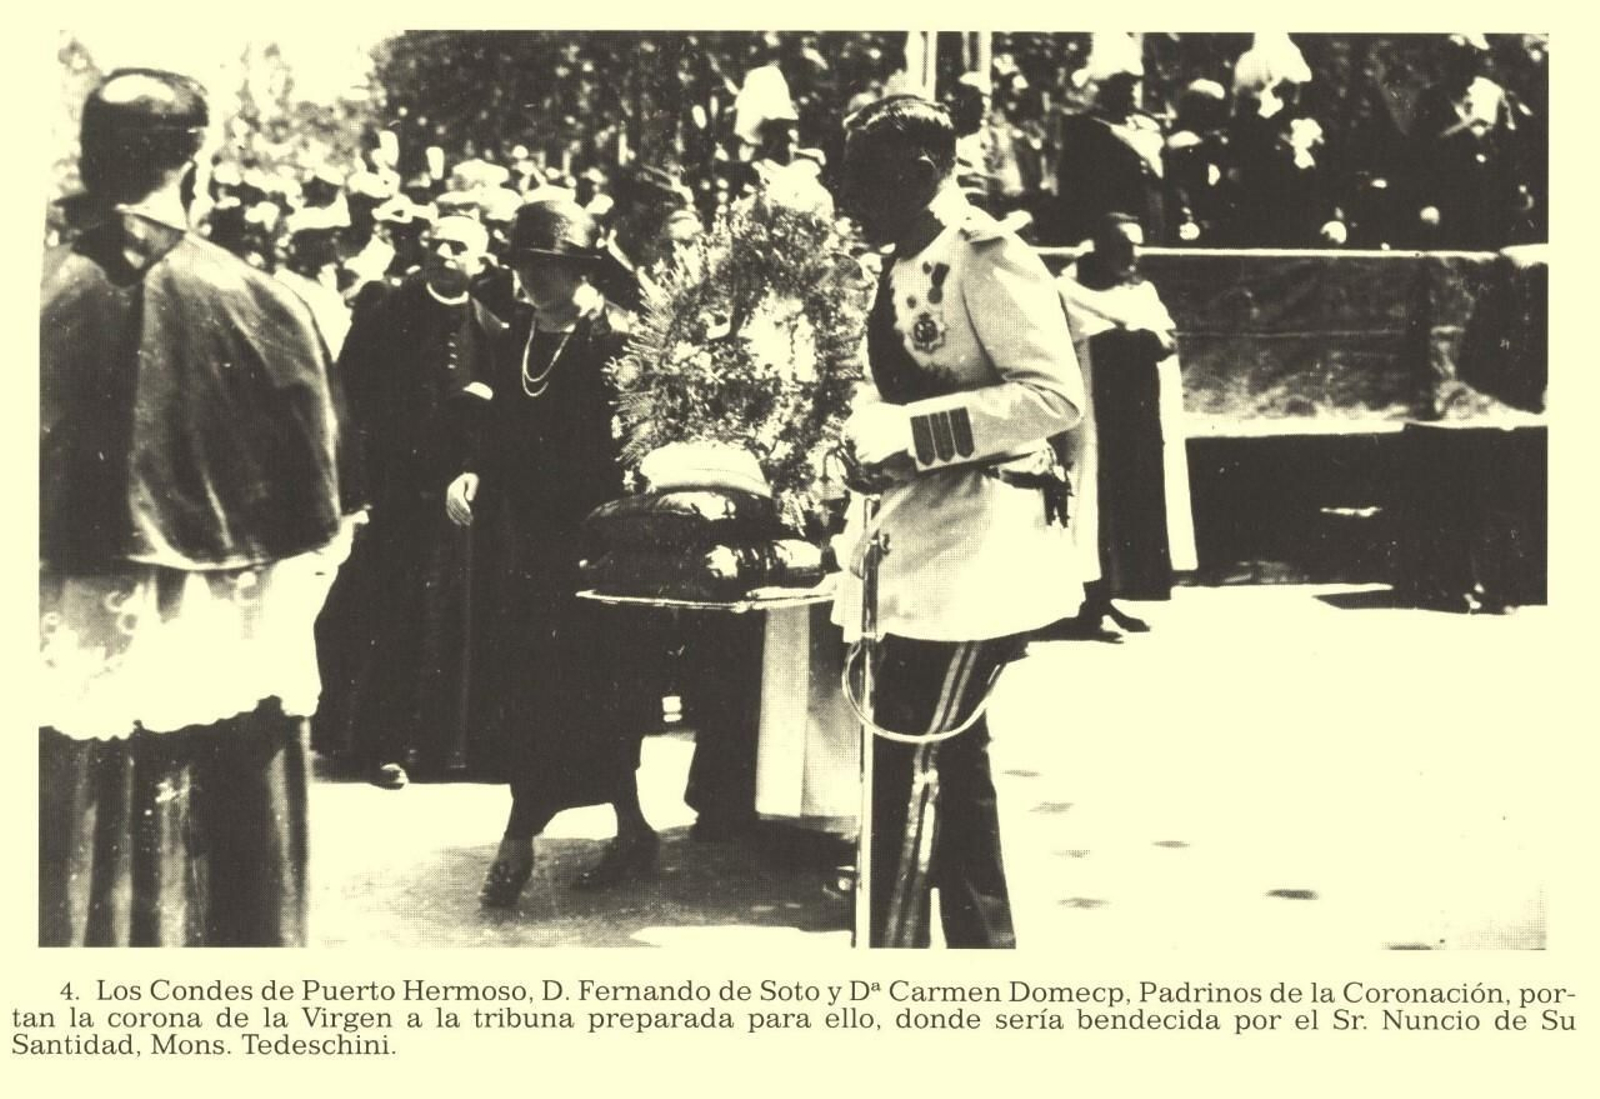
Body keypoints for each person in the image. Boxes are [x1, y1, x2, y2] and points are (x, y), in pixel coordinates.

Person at [39, 68, 358, 946]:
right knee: (232, 895)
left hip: (60, 640)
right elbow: (325, 519)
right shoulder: (269, 304)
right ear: (196, 158)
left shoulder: (30, 297)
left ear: (87, 156)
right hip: (232, 645)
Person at [833, 96, 1086, 948]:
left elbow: (1052, 397)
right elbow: (900, 382)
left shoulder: (987, 253)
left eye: (863, 184)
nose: (847, 203)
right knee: (938, 760)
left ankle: (896, 962)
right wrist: (867, 440)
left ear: (917, 173)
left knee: (915, 759)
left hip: (978, 550)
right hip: (913, 543)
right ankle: (982, 956)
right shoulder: (901, 254)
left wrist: (911, 436)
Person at [444, 198, 660, 907]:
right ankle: (625, 827)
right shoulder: (514, 341)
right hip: (529, 542)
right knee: (538, 689)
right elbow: (499, 430)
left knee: (602, 691)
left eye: (549, 266)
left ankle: (524, 837)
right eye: (525, 264)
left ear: (579, 268)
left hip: (600, 543)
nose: (533, 278)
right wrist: (472, 469)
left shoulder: (615, 340)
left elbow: (640, 439)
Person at [319, 214, 504, 788]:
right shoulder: (385, 319)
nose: (445, 253)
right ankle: (378, 745)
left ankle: (445, 751)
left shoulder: (495, 332)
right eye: (437, 243)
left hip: (459, 504)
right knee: (385, 616)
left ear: (481, 261)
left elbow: (502, 425)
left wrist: (475, 461)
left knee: (448, 619)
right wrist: (358, 491)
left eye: (459, 247)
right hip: (393, 495)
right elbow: (343, 406)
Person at [1053, 213, 1197, 637]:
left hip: (1136, 419)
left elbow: (1167, 340)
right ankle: (1082, 606)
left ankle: (1109, 598)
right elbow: (1076, 342)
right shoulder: (1066, 290)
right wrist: (1130, 334)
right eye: (1122, 246)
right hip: (1093, 417)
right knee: (1088, 505)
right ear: (1098, 247)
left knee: (1128, 504)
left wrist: (1136, 333)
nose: (1133, 255)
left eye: (1137, 245)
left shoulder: (1142, 291)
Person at [1405, 34, 1536, 250]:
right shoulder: (1432, 98)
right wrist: (1424, 202)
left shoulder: (1492, 93)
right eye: (1464, 59)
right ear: (1449, 61)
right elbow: (1418, 154)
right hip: (1449, 198)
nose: (1472, 66)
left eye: (1476, 58)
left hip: (1489, 199)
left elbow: (1509, 147)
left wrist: (1517, 188)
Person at [1049, 34, 1167, 247]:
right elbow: (1072, 188)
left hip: (1152, 225)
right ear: (1104, 88)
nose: (1131, 91)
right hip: (1109, 232)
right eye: (1123, 84)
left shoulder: (1147, 125)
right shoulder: (1085, 129)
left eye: (1133, 84)